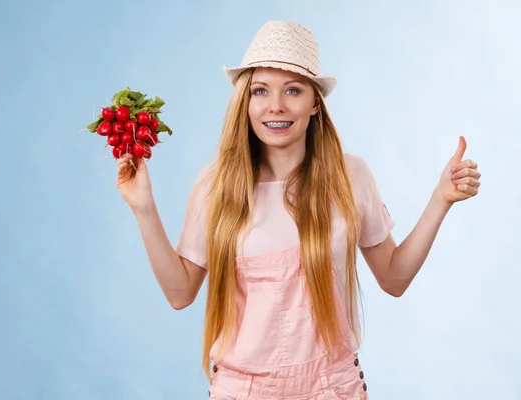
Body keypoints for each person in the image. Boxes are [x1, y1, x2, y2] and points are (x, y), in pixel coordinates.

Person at [115, 20, 481, 400]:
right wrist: (143, 207)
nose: (276, 105)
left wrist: (440, 199)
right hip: (242, 390)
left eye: (293, 90)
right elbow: (180, 293)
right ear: (246, 102)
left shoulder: (350, 175)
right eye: (261, 91)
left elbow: (394, 278)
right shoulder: (215, 186)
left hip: (332, 386)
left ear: (314, 105)